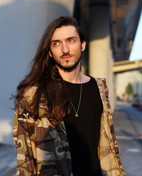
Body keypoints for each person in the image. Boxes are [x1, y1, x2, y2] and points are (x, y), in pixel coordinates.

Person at [13, 16, 125, 176]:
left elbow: (109, 144)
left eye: (71, 40)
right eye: (56, 43)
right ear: (50, 52)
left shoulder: (99, 88)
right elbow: (25, 157)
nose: (65, 49)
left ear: (83, 45)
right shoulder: (34, 94)